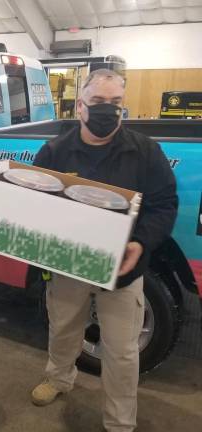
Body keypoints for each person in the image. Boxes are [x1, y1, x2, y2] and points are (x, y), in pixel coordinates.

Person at [31, 69, 178, 432]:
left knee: (123, 351)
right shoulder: (54, 151)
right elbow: (33, 202)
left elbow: (164, 205)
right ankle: (60, 378)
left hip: (122, 269)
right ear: (80, 106)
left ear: (123, 108)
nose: (106, 110)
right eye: (98, 102)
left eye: (115, 104)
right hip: (69, 265)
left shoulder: (145, 153)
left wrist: (140, 241)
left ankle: (119, 422)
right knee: (64, 329)